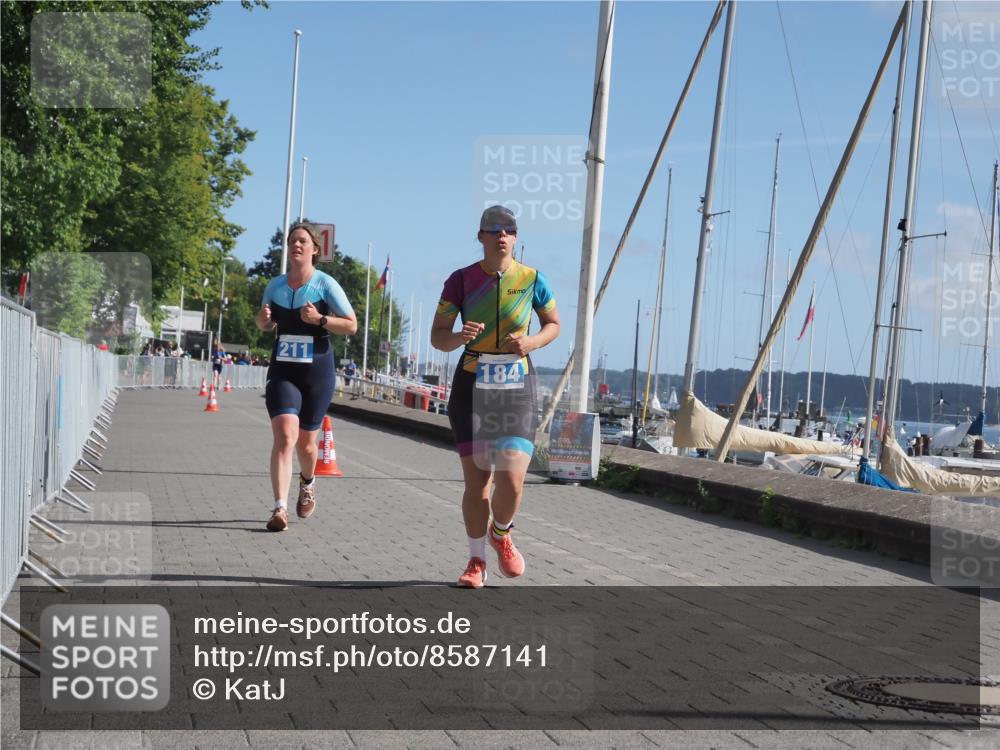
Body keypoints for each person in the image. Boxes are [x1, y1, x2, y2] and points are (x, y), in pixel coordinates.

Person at [431, 205, 559, 588]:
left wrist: (532, 342)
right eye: (494, 229)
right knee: (477, 483)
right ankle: (476, 561)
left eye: (509, 229)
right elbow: (438, 336)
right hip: (472, 385)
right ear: (481, 236)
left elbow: (553, 324)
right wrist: (460, 337)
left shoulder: (533, 279)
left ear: (515, 238)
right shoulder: (461, 280)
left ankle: (500, 533)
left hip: (516, 386)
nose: (502, 235)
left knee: (513, 478)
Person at [255, 222, 358, 531]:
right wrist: (263, 320)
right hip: (283, 369)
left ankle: (308, 482)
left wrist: (320, 319)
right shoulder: (275, 285)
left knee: (307, 446)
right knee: (285, 436)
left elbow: (351, 325)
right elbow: (264, 324)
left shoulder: (325, 284)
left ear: (315, 249)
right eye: (292, 241)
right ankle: (280, 508)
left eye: (302, 241)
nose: (296, 245)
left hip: (317, 372)